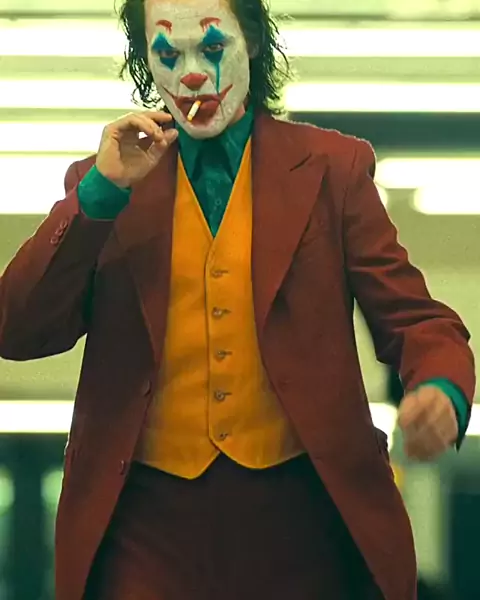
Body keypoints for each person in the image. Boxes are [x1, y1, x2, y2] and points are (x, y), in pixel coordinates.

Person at [0, 0, 475, 599]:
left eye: (212, 48)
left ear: (251, 41)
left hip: (302, 521)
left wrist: (441, 387)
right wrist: (99, 194)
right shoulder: (106, 183)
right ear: (146, 61)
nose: (193, 74)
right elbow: (17, 328)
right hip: (144, 527)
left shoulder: (331, 168)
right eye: (168, 54)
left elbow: (414, 318)